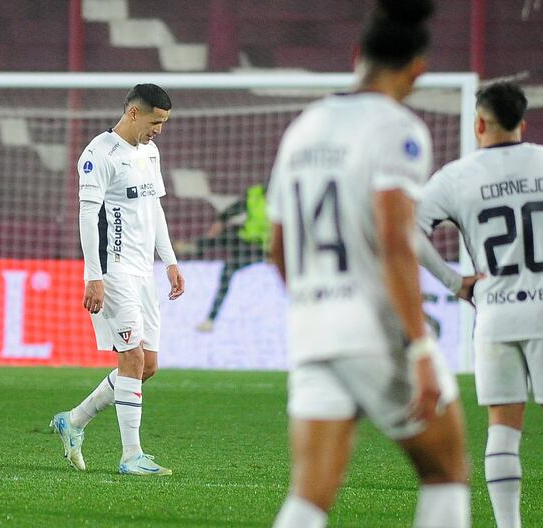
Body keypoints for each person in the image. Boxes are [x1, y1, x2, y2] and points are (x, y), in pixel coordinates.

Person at [267, 2, 471, 527]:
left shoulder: (303, 127)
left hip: (312, 328)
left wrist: (318, 304)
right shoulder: (398, 129)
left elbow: (277, 246)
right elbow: (394, 240)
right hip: (373, 332)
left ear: (357, 55)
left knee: (310, 494)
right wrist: (422, 346)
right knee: (446, 469)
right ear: (418, 69)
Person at [417, 81, 543, 527]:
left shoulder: (457, 176)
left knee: (503, 428)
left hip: (494, 314)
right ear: (522, 123)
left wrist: (456, 282)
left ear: (478, 123)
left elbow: (406, 232)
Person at [50, 83, 185, 476]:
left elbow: (154, 208)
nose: (159, 129)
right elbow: (87, 217)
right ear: (133, 113)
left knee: (148, 366)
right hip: (114, 269)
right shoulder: (98, 155)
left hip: (145, 271)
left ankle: (73, 421)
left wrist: (170, 261)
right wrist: (94, 276)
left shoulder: (150, 152)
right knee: (132, 357)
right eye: (155, 122)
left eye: (163, 123)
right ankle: (131, 456)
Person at [176, 184, 268, 333]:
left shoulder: (281, 199)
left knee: (228, 270)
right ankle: (196, 246)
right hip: (245, 238)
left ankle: (210, 319)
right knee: (224, 236)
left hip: (262, 248)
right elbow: (235, 208)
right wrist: (221, 221)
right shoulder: (255, 194)